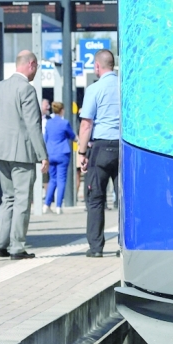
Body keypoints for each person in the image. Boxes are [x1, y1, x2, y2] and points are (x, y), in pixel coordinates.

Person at [0, 50, 48, 260]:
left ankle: (0, 245)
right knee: (21, 199)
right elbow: (33, 125)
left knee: (7, 198)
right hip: (22, 154)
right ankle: (17, 247)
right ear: (32, 65)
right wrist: (43, 155)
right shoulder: (26, 89)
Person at [78, 49, 120, 258]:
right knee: (125, 199)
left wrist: (81, 153)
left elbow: (86, 124)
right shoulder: (125, 86)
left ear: (97, 66)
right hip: (124, 148)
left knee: (95, 198)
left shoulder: (95, 89)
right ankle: (126, 245)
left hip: (101, 149)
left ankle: (96, 248)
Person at [43, 101, 75, 214]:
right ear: (62, 110)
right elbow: (72, 136)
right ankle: (58, 206)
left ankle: (46, 204)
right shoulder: (64, 123)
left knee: (53, 179)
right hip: (62, 153)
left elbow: (45, 138)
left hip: (51, 153)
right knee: (61, 180)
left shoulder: (48, 123)